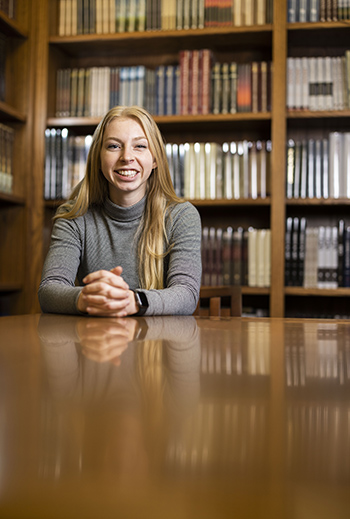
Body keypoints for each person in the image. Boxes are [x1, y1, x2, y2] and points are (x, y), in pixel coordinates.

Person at [38, 105, 202, 317]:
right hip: (95, 341)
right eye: (114, 146)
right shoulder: (74, 216)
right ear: (98, 158)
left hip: (159, 343)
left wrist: (134, 301)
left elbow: (187, 294)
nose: (127, 157)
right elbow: (49, 290)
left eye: (140, 146)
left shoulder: (182, 216)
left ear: (155, 160)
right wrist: (87, 298)